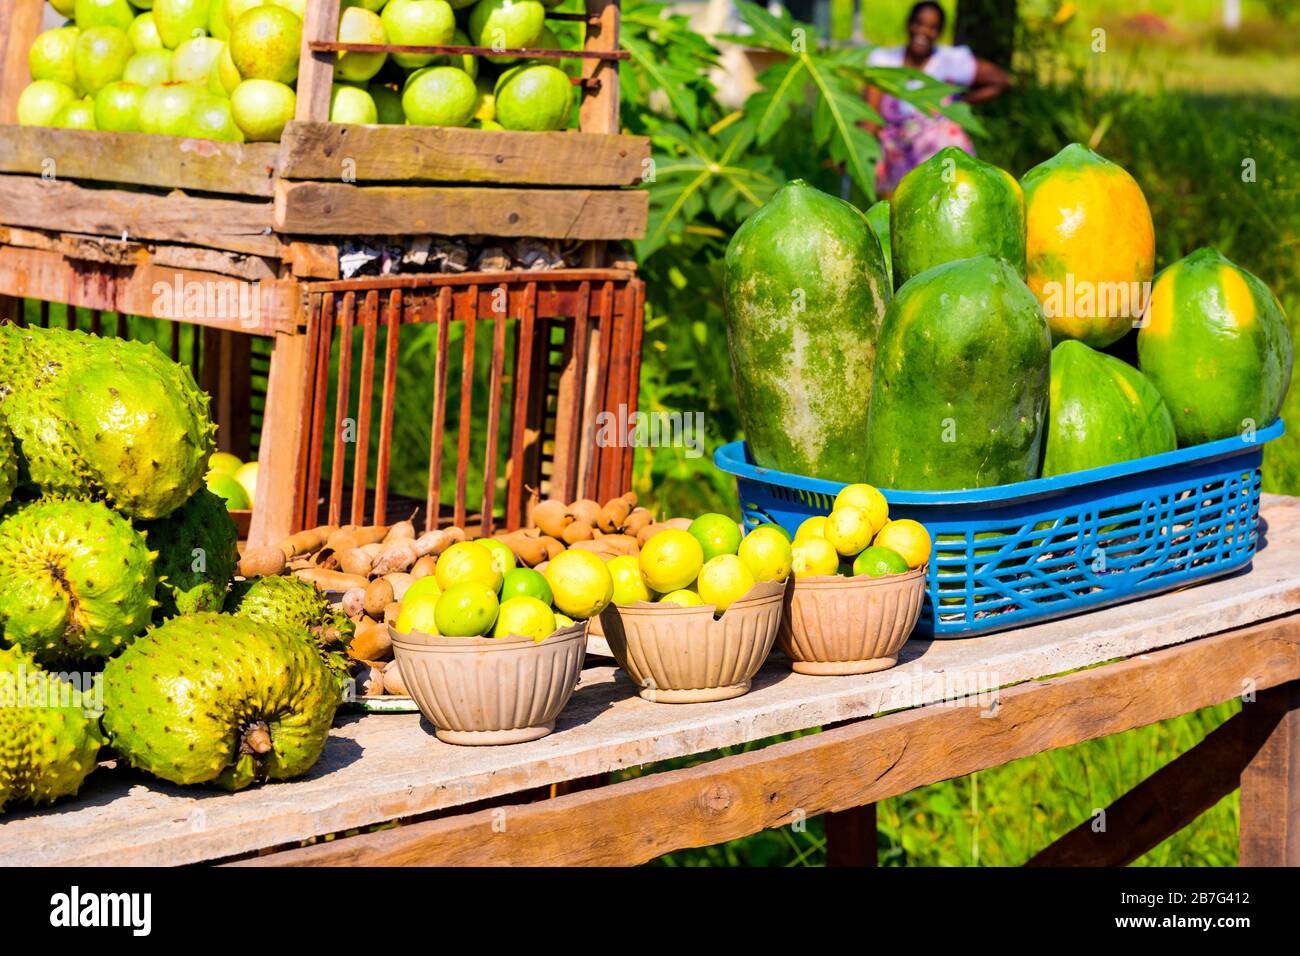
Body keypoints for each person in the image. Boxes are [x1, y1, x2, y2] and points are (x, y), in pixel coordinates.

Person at [863, 1, 1011, 196]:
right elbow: (870, 117)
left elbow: (1000, 81)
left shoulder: (950, 60)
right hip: (898, 156)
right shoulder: (883, 61)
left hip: (940, 154)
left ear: (939, 33)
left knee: (948, 201)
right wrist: (857, 150)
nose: (924, 31)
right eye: (919, 23)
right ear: (908, 24)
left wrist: (960, 104)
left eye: (933, 27)